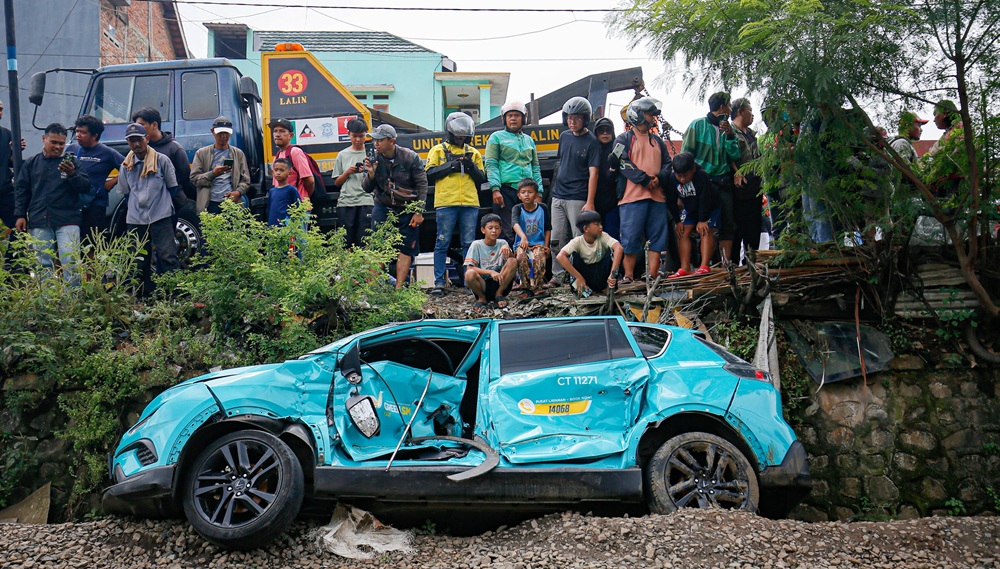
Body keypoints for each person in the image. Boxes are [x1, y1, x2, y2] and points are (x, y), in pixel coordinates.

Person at [13, 123, 90, 284]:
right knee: (42, 264)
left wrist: (72, 174)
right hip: (39, 218)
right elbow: (21, 191)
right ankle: (47, 304)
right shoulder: (32, 163)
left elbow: (85, 187)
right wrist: (20, 215)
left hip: (68, 219)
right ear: (44, 139)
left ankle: (73, 303)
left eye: (61, 143)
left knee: (70, 261)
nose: (58, 147)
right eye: (53, 142)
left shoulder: (73, 163)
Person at [424, 112, 486, 295]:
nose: (460, 138)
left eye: (463, 135)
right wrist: (450, 166)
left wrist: (471, 167)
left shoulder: (473, 153)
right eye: (458, 134)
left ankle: (469, 283)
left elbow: (482, 178)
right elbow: (428, 173)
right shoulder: (438, 150)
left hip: (469, 202)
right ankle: (439, 283)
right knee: (442, 242)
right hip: (446, 202)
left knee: (469, 243)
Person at [117, 122, 181, 296]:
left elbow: (172, 187)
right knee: (138, 260)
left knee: (168, 256)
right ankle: (142, 298)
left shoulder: (162, 160)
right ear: (127, 142)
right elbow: (125, 192)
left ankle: (176, 296)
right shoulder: (125, 165)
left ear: (146, 138)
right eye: (131, 141)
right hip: (135, 219)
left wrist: (161, 205)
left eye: (139, 139)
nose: (136, 144)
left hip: (161, 216)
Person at [362, 124, 428, 289]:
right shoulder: (373, 158)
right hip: (383, 206)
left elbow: (422, 184)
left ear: (391, 141)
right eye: (374, 139)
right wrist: (371, 173)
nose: (376, 143)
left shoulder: (410, 157)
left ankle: (399, 289)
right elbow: (366, 188)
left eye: (380, 140)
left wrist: (419, 211)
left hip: (407, 208)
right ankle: (373, 290)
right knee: (377, 247)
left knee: (406, 248)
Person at [615, 97, 671, 283]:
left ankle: (652, 275)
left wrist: (659, 178)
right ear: (638, 115)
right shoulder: (624, 138)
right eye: (649, 114)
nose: (652, 118)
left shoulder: (658, 141)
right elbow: (620, 161)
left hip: (657, 198)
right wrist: (645, 180)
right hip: (632, 198)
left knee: (658, 237)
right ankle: (628, 275)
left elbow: (667, 163)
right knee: (630, 238)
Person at [682, 91, 741, 263]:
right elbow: (686, 157)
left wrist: (730, 136)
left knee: (727, 224)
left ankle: (725, 265)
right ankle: (703, 265)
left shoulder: (728, 129)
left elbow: (734, 155)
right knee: (702, 225)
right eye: (729, 106)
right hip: (702, 184)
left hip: (723, 183)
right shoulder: (697, 125)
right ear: (722, 107)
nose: (730, 110)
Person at [548, 97, 601, 284]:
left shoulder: (592, 142)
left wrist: (590, 201)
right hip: (558, 196)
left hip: (578, 197)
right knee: (557, 239)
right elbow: (561, 163)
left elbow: (593, 174)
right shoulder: (564, 136)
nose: (572, 122)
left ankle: (578, 277)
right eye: (569, 118)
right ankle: (557, 275)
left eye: (576, 118)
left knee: (579, 239)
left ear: (585, 119)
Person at [484, 100, 544, 245]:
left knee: (529, 230)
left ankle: (526, 265)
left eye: (517, 115)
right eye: (509, 115)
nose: (513, 118)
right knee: (506, 231)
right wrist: (495, 189)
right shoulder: (496, 137)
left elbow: (535, 168)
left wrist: (539, 193)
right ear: (504, 118)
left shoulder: (529, 140)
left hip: (527, 192)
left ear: (523, 118)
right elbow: (491, 164)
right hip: (505, 190)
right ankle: (508, 264)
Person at [64, 115, 124, 246]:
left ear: (95, 135)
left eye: (83, 132)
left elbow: (129, 168)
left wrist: (110, 183)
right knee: (68, 244)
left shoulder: (107, 153)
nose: (78, 135)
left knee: (91, 245)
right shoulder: (71, 150)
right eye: (77, 131)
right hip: (72, 204)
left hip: (96, 205)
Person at [664, 152, 717, 278]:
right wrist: (678, 221)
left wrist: (703, 220)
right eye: (679, 176)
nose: (682, 179)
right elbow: (671, 200)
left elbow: (705, 198)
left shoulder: (701, 176)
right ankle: (685, 267)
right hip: (690, 209)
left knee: (705, 230)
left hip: (709, 208)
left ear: (693, 169)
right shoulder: (672, 179)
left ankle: (704, 266)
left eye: (685, 175)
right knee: (682, 233)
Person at [131, 108, 195, 208]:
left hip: (173, 203)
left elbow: (185, 176)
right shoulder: (138, 150)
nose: (138, 129)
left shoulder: (174, 148)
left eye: (142, 125)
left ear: (154, 125)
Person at [555, 210, 623, 297]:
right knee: (573, 256)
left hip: (603, 277)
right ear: (586, 229)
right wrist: (578, 277)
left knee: (614, 252)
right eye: (596, 224)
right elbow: (560, 256)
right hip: (584, 279)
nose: (601, 227)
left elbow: (619, 248)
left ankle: (608, 288)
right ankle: (581, 290)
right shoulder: (577, 241)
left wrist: (612, 274)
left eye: (600, 223)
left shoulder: (603, 236)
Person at [190, 116, 250, 214]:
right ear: (212, 131)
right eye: (220, 133)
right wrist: (212, 174)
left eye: (226, 133)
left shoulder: (238, 154)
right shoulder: (201, 153)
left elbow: (246, 180)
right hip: (209, 204)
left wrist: (238, 192)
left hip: (231, 203)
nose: (223, 136)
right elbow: (194, 179)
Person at [730, 98, 763, 264]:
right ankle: (735, 268)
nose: (752, 114)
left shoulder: (751, 134)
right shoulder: (730, 132)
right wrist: (737, 173)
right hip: (738, 188)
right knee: (737, 231)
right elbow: (726, 155)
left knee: (754, 230)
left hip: (755, 187)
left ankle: (751, 266)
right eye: (749, 110)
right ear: (740, 112)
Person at [332, 118, 374, 247]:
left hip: (366, 201)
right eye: (354, 136)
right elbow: (337, 183)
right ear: (348, 134)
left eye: (361, 136)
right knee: (346, 243)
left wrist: (369, 171)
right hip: (346, 202)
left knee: (365, 242)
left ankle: (366, 267)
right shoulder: (342, 155)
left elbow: (378, 180)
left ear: (366, 135)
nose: (358, 140)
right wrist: (348, 172)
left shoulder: (371, 154)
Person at [464, 213, 517, 311]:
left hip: (501, 282)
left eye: (497, 228)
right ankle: (481, 298)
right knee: (469, 273)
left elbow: (512, 263)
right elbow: (469, 268)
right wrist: (490, 272)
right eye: (490, 228)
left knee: (513, 261)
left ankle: (499, 294)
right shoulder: (476, 245)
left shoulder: (503, 243)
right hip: (483, 284)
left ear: (500, 230)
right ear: (483, 230)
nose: (494, 231)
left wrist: (508, 251)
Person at [511, 178, 551, 291]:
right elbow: (515, 224)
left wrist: (546, 246)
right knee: (521, 257)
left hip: (539, 243)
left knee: (538, 258)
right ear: (519, 195)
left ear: (536, 194)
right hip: (522, 244)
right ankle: (525, 285)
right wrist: (523, 237)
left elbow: (548, 228)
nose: (526, 195)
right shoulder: (517, 208)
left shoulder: (543, 208)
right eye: (523, 192)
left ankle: (538, 286)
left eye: (530, 192)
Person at [270, 118, 315, 200]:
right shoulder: (277, 157)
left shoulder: (295, 152)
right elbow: (276, 185)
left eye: (282, 131)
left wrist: (303, 198)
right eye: (275, 131)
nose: (277, 134)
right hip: (284, 205)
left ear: (290, 135)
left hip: (298, 207)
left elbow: (309, 181)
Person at [593, 117, 620, 240]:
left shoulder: (618, 150)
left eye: (608, 130)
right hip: (594, 201)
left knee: (612, 236)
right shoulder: (591, 150)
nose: (605, 133)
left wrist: (614, 167)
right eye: (601, 130)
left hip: (613, 200)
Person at [0, 99, 25, 232]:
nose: (0, 113)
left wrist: (16, 151)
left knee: (19, 228)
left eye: (1, 109)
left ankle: (12, 254)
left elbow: (12, 163)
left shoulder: (7, 134)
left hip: (4, 190)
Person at [267, 158, 300, 226]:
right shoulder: (272, 191)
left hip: (286, 227)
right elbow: (269, 210)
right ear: (273, 172)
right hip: (273, 227)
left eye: (282, 170)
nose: (278, 173)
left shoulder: (291, 190)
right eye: (276, 170)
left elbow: (298, 209)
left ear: (289, 173)